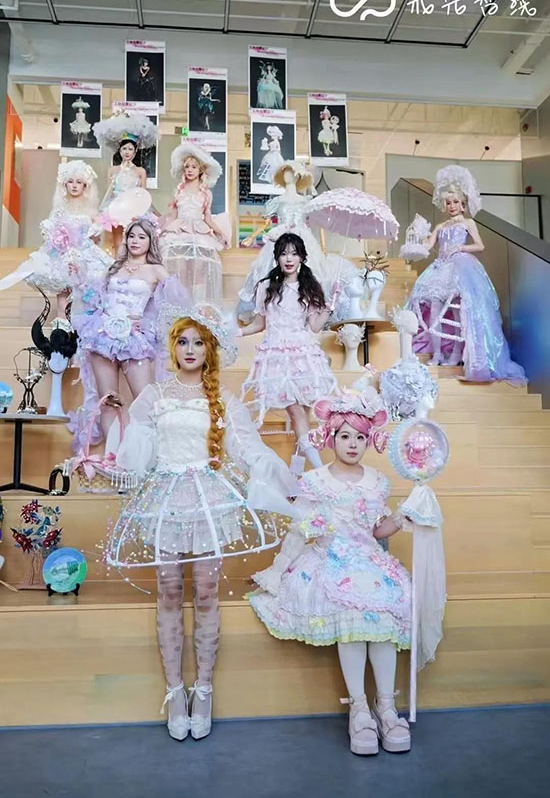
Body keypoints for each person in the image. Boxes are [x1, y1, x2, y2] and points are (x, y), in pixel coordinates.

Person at [108, 303, 297, 741]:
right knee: (170, 589)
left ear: (210, 349)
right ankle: (175, 690)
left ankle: (204, 688)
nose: (190, 349)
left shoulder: (223, 399)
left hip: (209, 501)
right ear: (173, 347)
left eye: (198, 342)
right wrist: (115, 431)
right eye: (182, 341)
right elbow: (137, 457)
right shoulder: (153, 395)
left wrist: (279, 478)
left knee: (207, 590)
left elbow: (247, 449)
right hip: (165, 501)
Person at [250, 388, 413, 756]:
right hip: (330, 558)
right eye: (345, 436)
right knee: (350, 617)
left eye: (360, 437)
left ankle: (386, 707)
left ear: (368, 440)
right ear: (331, 437)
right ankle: (359, 708)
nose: (352, 444)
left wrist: (403, 517)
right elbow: (300, 531)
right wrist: (277, 571)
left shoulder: (377, 481)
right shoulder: (316, 481)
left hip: (369, 560)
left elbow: (376, 530)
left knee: (384, 615)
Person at [70, 217, 189, 453]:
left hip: (135, 339)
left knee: (145, 402)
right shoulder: (115, 267)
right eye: (132, 236)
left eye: (142, 237)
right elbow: (95, 298)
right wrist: (80, 277)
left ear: (151, 241)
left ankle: (147, 457)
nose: (135, 241)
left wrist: (147, 323)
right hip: (103, 335)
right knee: (108, 400)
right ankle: (114, 456)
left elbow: (176, 305)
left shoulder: (157, 270)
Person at [407, 165, 527, 385]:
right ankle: (437, 354)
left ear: (463, 203)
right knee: (434, 313)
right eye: (448, 202)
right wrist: (420, 235)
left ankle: (455, 354)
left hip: (461, 268)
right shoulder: (440, 225)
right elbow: (428, 246)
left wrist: (461, 248)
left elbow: (479, 245)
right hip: (440, 270)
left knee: (458, 314)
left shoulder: (468, 223)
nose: (452, 206)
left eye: (455, 202)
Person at [240, 233, 340, 468]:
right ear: (277, 257)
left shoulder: (309, 288)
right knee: (296, 412)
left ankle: (297, 474)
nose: (288, 259)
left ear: (302, 257)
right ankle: (320, 469)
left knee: (303, 415)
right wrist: (238, 332)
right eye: (284, 254)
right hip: (277, 356)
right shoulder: (266, 286)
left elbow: (315, 326)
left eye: (294, 254)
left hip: (303, 356)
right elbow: (259, 324)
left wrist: (331, 305)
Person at [238, 159, 356, 321]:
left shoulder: (305, 201)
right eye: (285, 173)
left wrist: (323, 246)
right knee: (268, 269)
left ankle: (305, 309)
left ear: (297, 176)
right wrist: (252, 236)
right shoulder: (277, 201)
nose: (287, 176)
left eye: (290, 173)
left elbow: (317, 223)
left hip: (302, 237)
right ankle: (273, 308)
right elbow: (266, 223)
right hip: (280, 236)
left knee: (310, 271)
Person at [0, 160, 110, 324]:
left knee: (85, 291)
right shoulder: (59, 209)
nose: (74, 186)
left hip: (85, 255)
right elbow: (52, 234)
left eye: (79, 182)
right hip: (63, 254)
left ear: (85, 186)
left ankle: (81, 325)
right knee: (63, 289)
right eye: (70, 182)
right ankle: (61, 325)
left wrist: (95, 234)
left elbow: (95, 238)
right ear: (64, 185)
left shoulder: (92, 211)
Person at [160, 142, 229, 302]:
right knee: (182, 269)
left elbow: (208, 218)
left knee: (199, 269)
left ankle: (197, 304)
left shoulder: (206, 193)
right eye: (187, 167)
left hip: (198, 232)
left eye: (194, 167)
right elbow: (173, 216)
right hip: (181, 231)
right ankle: (183, 303)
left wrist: (220, 233)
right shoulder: (178, 190)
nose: (190, 170)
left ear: (200, 170)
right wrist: (161, 231)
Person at [93, 111, 158, 251]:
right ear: (120, 150)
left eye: (130, 149)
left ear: (135, 151)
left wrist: (152, 212)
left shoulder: (140, 171)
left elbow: (143, 194)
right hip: (117, 208)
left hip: (134, 209)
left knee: (133, 242)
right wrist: (104, 210)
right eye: (124, 149)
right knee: (117, 243)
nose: (127, 152)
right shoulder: (112, 170)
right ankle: (118, 264)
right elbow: (109, 193)